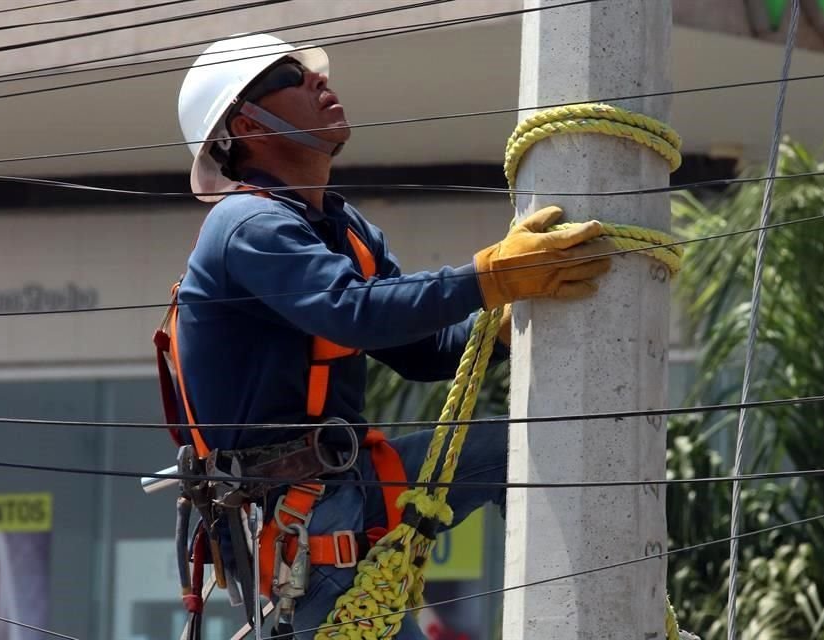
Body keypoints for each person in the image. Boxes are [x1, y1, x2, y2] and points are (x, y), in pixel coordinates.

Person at [172, 32, 611, 638]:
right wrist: (488, 277)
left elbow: (420, 350)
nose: (318, 81)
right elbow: (352, 311)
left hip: (352, 490)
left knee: (519, 451)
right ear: (245, 124)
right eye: (289, 77)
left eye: (313, 72)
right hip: (303, 526)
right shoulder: (246, 225)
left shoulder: (339, 226)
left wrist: (501, 331)